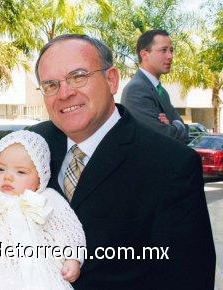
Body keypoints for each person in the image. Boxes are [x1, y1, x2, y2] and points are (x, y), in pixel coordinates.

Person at [30, 34, 215, 290]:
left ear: (111, 79)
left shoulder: (170, 163)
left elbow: (187, 277)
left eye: (78, 76)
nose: (65, 93)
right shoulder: (31, 145)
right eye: (51, 84)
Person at [0, 130, 86, 290]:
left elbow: (68, 229)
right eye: (1, 169)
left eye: (21, 172)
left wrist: (72, 258)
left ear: (41, 177)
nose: (8, 177)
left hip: (40, 272)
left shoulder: (46, 199)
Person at [121, 29, 189, 143]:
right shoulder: (136, 90)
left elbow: (184, 130)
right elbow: (163, 136)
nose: (170, 56)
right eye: (163, 50)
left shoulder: (162, 91)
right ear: (144, 54)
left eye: (171, 50)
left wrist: (175, 125)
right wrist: (176, 126)